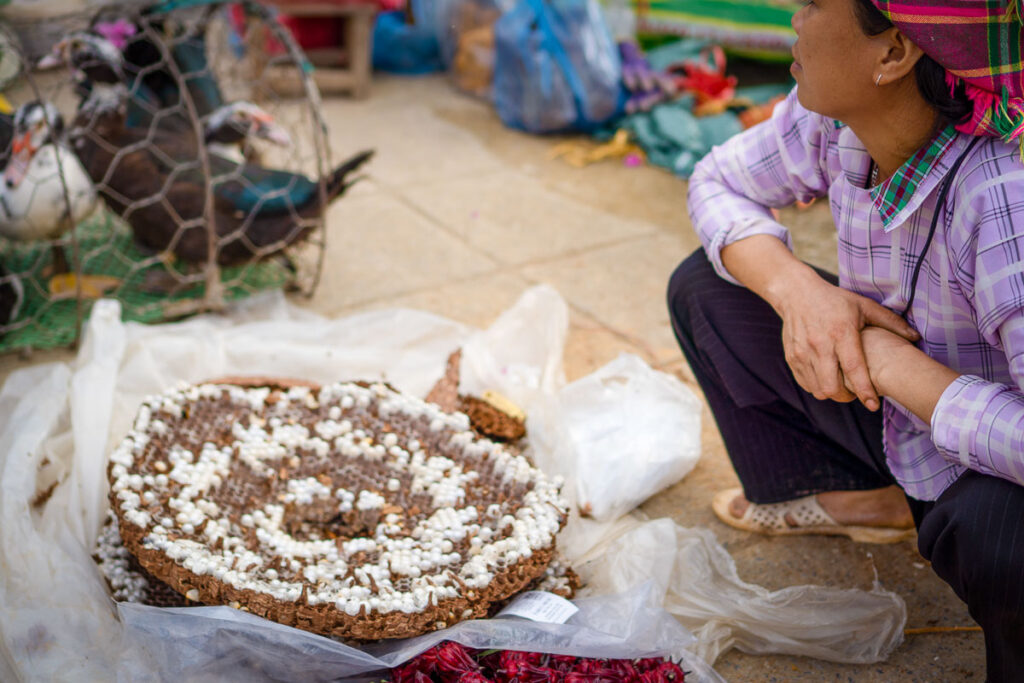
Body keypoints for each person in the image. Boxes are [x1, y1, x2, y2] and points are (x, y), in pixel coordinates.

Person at [667, 0, 1024, 677]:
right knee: (709, 286)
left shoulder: (1006, 195)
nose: (794, 17)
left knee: (1002, 538)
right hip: (892, 420)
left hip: (984, 466)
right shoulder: (832, 119)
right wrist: (800, 293)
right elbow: (716, 180)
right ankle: (877, 497)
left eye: (813, 4)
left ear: (893, 53)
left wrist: (893, 364)